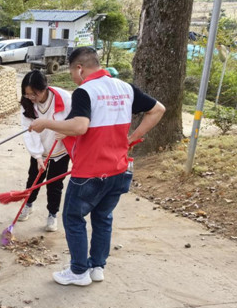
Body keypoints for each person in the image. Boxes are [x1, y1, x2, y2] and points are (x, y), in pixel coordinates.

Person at [29, 47, 165, 286]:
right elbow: (158, 110)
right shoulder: (125, 88)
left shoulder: (85, 91)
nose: (72, 76)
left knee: (73, 217)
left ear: (79, 68)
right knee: (103, 217)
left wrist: (46, 123)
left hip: (90, 172)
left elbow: (80, 126)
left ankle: (79, 271)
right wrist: (132, 138)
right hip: (119, 170)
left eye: (71, 71)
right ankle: (97, 267)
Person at [19, 70, 72, 232]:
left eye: (33, 94)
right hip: (40, 148)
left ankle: (52, 214)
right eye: (27, 94)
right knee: (34, 179)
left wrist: (67, 131)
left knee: (55, 184)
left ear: (44, 89)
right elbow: (29, 130)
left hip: (60, 148)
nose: (30, 98)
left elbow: (76, 119)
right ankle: (28, 205)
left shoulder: (64, 98)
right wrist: (37, 155)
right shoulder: (27, 103)